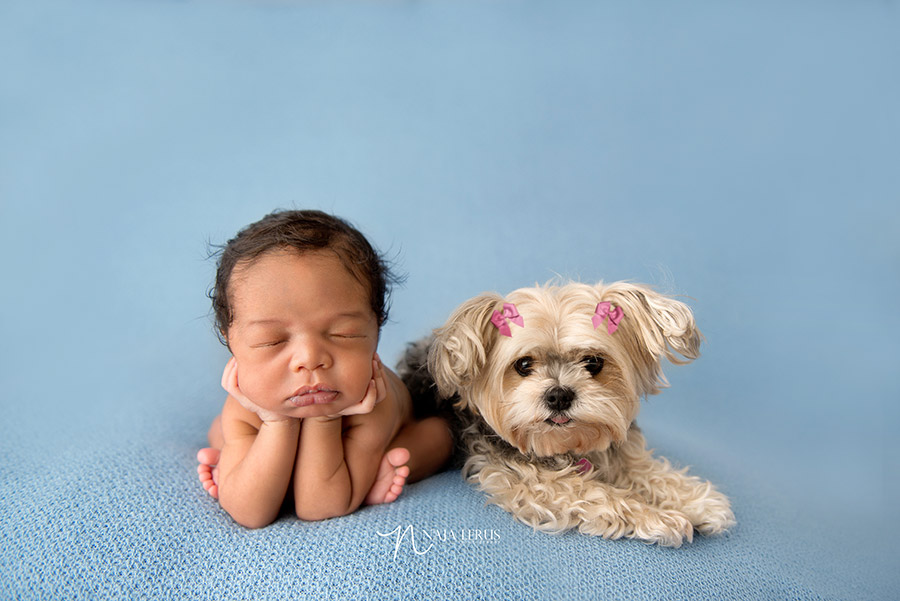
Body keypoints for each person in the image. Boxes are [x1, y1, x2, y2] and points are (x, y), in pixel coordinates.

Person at [196, 209, 453, 528]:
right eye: (271, 341)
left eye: (343, 334)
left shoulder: (373, 403)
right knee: (223, 429)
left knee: (440, 435)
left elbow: (319, 506)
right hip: (261, 415)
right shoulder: (246, 404)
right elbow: (250, 513)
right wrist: (276, 422)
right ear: (230, 343)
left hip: (396, 430)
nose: (309, 359)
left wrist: (326, 418)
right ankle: (237, 450)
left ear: (376, 329)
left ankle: (371, 470)